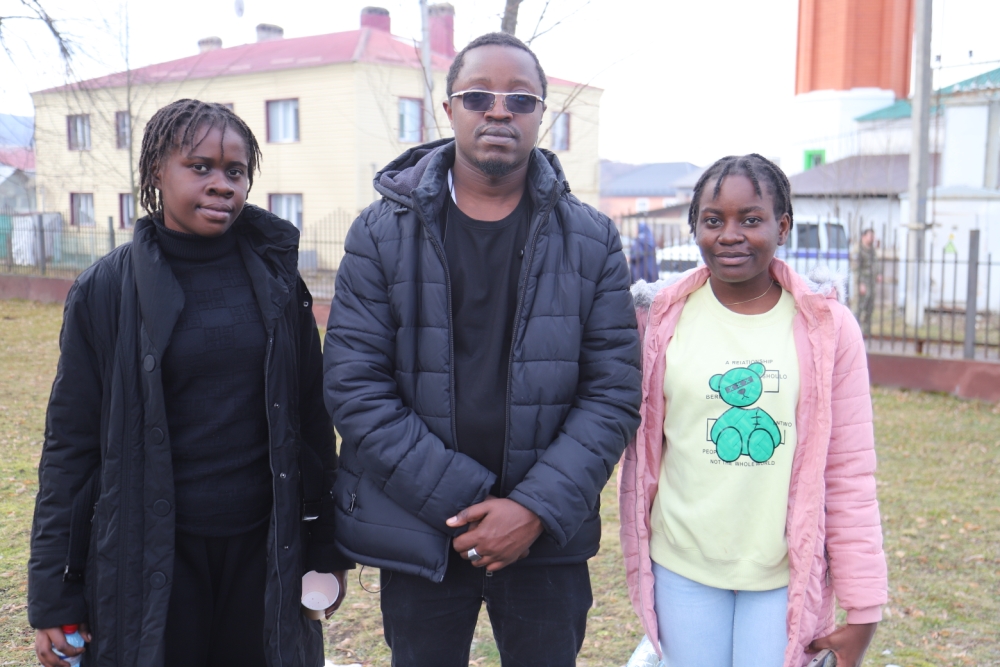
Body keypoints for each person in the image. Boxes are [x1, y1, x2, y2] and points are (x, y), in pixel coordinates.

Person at [324, 32, 642, 667]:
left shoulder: (592, 240)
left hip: (544, 538)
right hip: (421, 530)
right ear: (449, 109)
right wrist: (469, 506)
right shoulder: (380, 234)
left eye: (520, 99)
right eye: (479, 96)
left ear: (541, 113)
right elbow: (355, 389)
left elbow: (612, 394)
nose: (499, 111)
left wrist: (529, 509)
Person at [28, 99, 350, 667]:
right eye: (199, 167)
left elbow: (311, 423)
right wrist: (55, 594)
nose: (222, 183)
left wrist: (324, 548)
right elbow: (69, 450)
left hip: (264, 551)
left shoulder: (278, 283)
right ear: (157, 171)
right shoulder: (106, 290)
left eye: (236, 171)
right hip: (149, 555)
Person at [619, 154, 887, 667]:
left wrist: (864, 607)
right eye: (713, 220)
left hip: (782, 575)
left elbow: (850, 473)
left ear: (782, 227)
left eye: (750, 219)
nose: (730, 235)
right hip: (682, 567)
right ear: (695, 227)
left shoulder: (827, 328)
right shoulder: (657, 321)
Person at [856, 228, 878, 336]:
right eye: (870, 236)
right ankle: (855, 331)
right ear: (863, 236)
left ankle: (866, 332)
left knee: (870, 307)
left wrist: (878, 274)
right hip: (862, 281)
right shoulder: (858, 249)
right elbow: (856, 269)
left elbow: (876, 263)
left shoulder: (872, 249)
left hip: (871, 282)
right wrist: (860, 283)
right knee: (859, 307)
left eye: (873, 236)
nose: (872, 238)